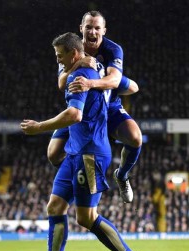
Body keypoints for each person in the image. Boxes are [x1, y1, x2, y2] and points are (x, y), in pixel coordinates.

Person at [20, 32, 145, 251]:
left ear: (74, 54)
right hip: (75, 150)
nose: (58, 61)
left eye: (60, 56)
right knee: (54, 206)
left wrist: (39, 127)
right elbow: (127, 85)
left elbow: (75, 114)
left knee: (86, 218)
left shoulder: (82, 76)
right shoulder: (91, 69)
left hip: (90, 153)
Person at [47, 11, 142, 204]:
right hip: (81, 109)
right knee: (53, 154)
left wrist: (91, 83)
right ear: (81, 28)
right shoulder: (71, 48)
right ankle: (76, 176)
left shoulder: (113, 49)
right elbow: (61, 83)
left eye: (97, 28)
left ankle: (122, 176)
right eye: (88, 27)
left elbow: (114, 79)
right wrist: (80, 63)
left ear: (104, 31)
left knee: (135, 138)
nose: (92, 31)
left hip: (109, 108)